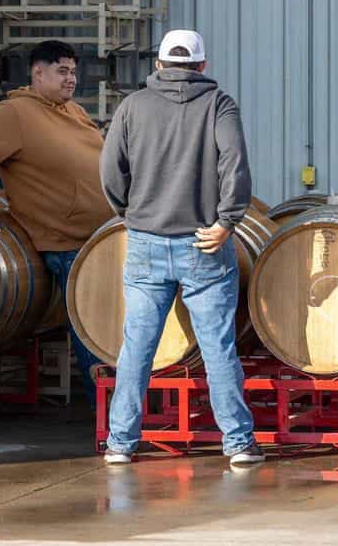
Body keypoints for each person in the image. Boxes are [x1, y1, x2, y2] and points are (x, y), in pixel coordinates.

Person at [99, 29, 264, 465]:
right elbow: (235, 163)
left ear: (159, 64)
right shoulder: (219, 104)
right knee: (217, 346)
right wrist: (228, 221)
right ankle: (238, 444)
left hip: (145, 242)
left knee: (137, 346)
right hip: (203, 242)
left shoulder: (133, 107)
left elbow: (110, 170)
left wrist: (128, 212)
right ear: (203, 66)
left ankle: (120, 443)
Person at [0, 39, 113, 407]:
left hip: (98, 236)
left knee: (111, 324)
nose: (71, 78)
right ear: (38, 73)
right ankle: (105, 417)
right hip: (65, 241)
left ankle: (118, 413)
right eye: (62, 71)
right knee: (93, 329)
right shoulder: (17, 114)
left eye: (73, 71)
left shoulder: (70, 109)